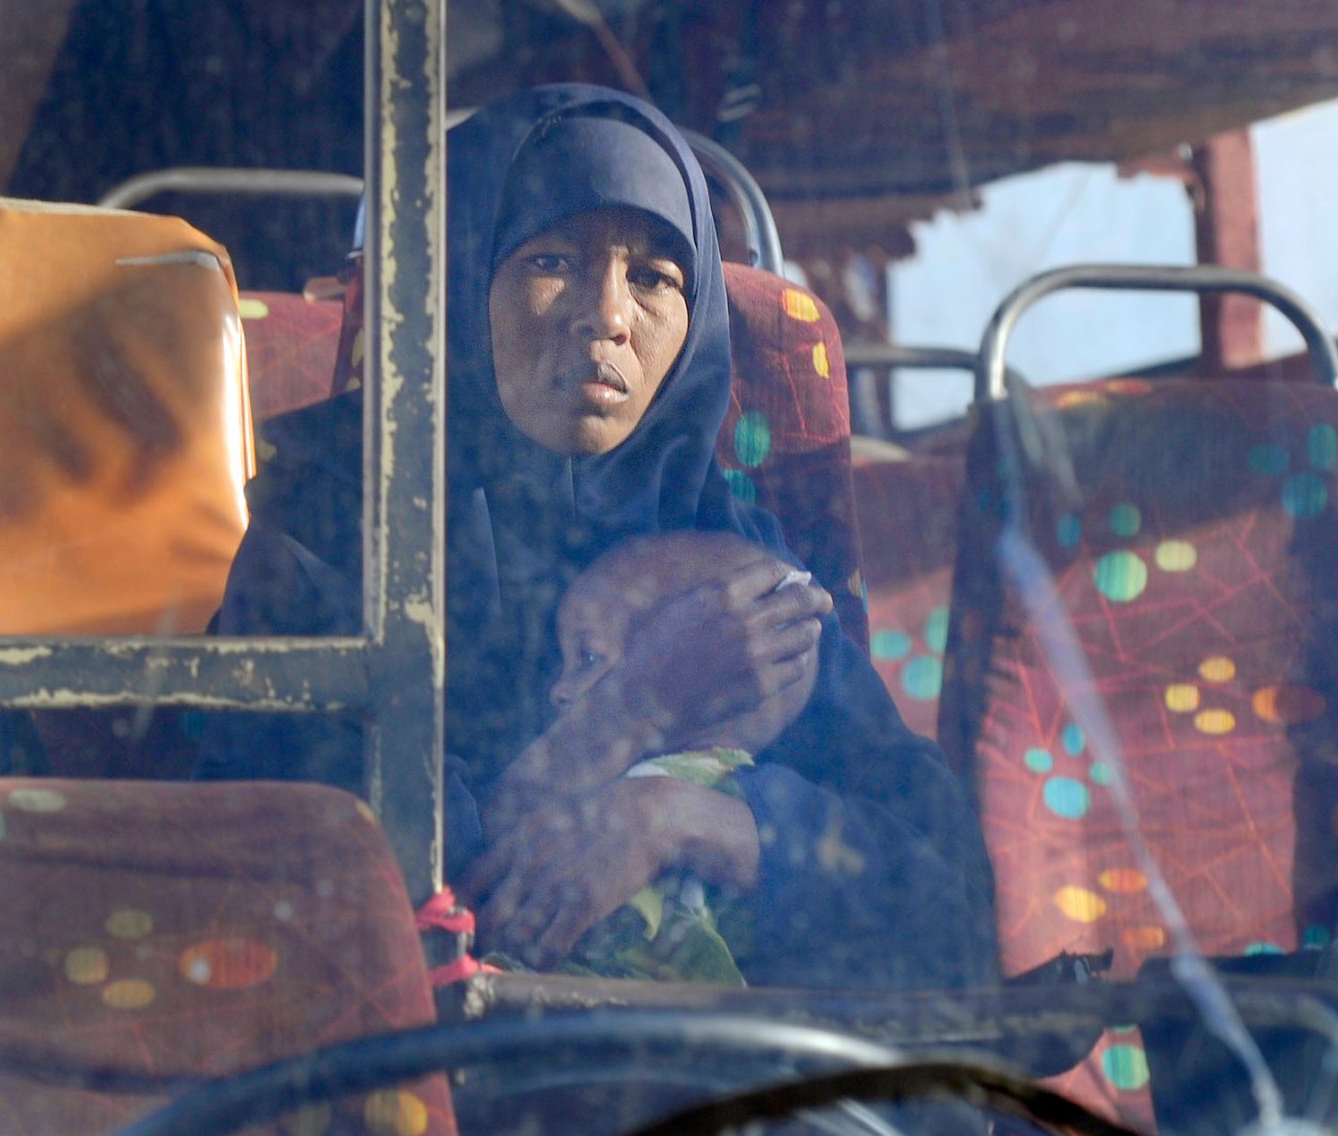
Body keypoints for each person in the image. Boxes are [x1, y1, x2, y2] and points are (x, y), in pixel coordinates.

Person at [195, 83, 998, 992]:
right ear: (455, 284)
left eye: (654, 278)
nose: (608, 315)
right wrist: (632, 713)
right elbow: (368, 901)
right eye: (551, 262)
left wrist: (680, 822)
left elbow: (948, 903)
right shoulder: (332, 527)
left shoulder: (733, 550)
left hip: (754, 1092)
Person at [493, 529, 820, 985]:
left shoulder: (623, 801)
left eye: (588, 658)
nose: (558, 690)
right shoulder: (763, 809)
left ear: (714, 683)